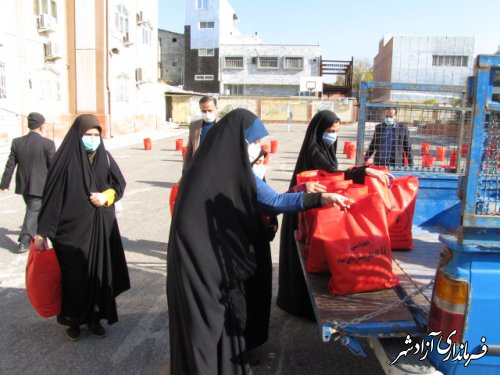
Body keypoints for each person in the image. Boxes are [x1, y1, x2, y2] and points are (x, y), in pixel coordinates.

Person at [167, 109, 350, 374]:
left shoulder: (222, 168)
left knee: (222, 324)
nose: (257, 148)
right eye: (252, 142)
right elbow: (274, 202)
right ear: (236, 140)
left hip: (212, 265)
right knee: (203, 328)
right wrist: (320, 199)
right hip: (198, 268)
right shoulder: (217, 172)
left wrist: (301, 192)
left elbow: (269, 200)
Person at [276, 110, 392, 319]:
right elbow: (331, 172)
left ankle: (304, 304)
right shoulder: (315, 150)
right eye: (330, 131)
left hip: (312, 208)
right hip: (306, 206)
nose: (333, 135)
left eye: (336, 131)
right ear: (320, 130)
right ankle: (302, 305)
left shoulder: (323, 146)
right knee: (309, 258)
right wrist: (363, 171)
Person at [33, 114, 130, 341]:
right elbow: (51, 198)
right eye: (88, 135)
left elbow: (119, 184)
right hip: (70, 235)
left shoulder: (104, 157)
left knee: (97, 275)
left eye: (96, 135)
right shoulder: (63, 161)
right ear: (78, 135)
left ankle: (96, 319)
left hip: (100, 230)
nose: (93, 139)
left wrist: (106, 196)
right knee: (74, 280)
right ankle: (73, 321)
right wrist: (42, 232)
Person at [0, 112, 55, 253]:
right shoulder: (48, 144)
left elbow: (10, 165)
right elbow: (53, 166)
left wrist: (4, 184)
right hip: (41, 186)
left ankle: (39, 236)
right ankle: (24, 241)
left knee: (34, 210)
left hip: (23, 185)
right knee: (33, 211)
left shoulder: (17, 142)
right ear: (42, 126)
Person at [182, 95, 218, 171]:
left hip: (217, 168)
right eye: (204, 111)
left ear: (216, 108)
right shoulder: (194, 126)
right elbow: (190, 149)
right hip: (199, 167)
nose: (207, 113)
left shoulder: (224, 124)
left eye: (210, 110)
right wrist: (185, 170)